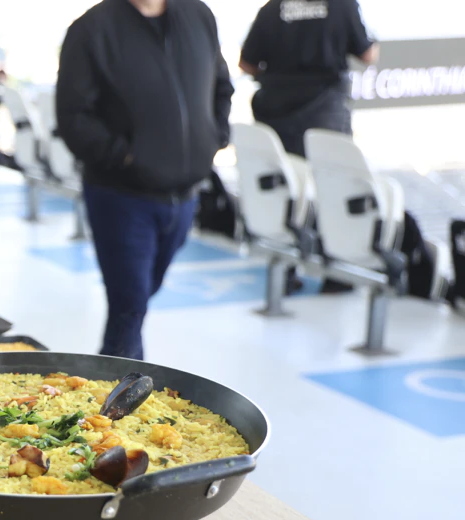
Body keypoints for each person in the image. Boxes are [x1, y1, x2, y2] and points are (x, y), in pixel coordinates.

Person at [56, 0, 234, 360]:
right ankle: (121, 388)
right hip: (121, 196)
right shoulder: (93, 29)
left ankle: (108, 381)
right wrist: (125, 156)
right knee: (130, 305)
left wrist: (214, 138)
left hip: (185, 196)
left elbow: (221, 86)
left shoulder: (198, 15)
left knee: (139, 298)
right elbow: (73, 116)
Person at [239, 0, 378, 158]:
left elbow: (246, 64)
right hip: (326, 114)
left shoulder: (272, 8)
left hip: (277, 113)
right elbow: (368, 55)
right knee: (332, 169)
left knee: (284, 170)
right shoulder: (343, 4)